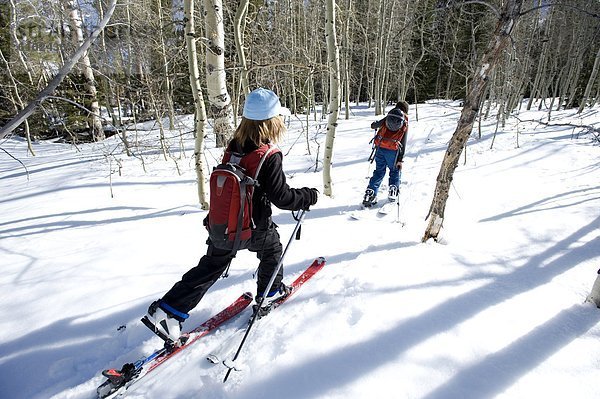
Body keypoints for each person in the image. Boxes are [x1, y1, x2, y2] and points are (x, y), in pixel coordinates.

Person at [144, 88, 319, 342]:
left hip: (223, 224)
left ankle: (168, 311)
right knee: (271, 249)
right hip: (252, 226)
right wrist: (307, 196)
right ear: (272, 121)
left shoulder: (235, 145)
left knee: (212, 265)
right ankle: (269, 294)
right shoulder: (268, 155)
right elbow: (282, 198)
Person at [362, 101, 409, 207]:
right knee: (394, 170)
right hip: (393, 150)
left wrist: (375, 124)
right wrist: (400, 159)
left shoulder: (390, 114)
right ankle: (393, 191)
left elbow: (374, 125)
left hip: (380, 147)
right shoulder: (404, 120)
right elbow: (404, 141)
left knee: (379, 171)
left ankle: (370, 194)